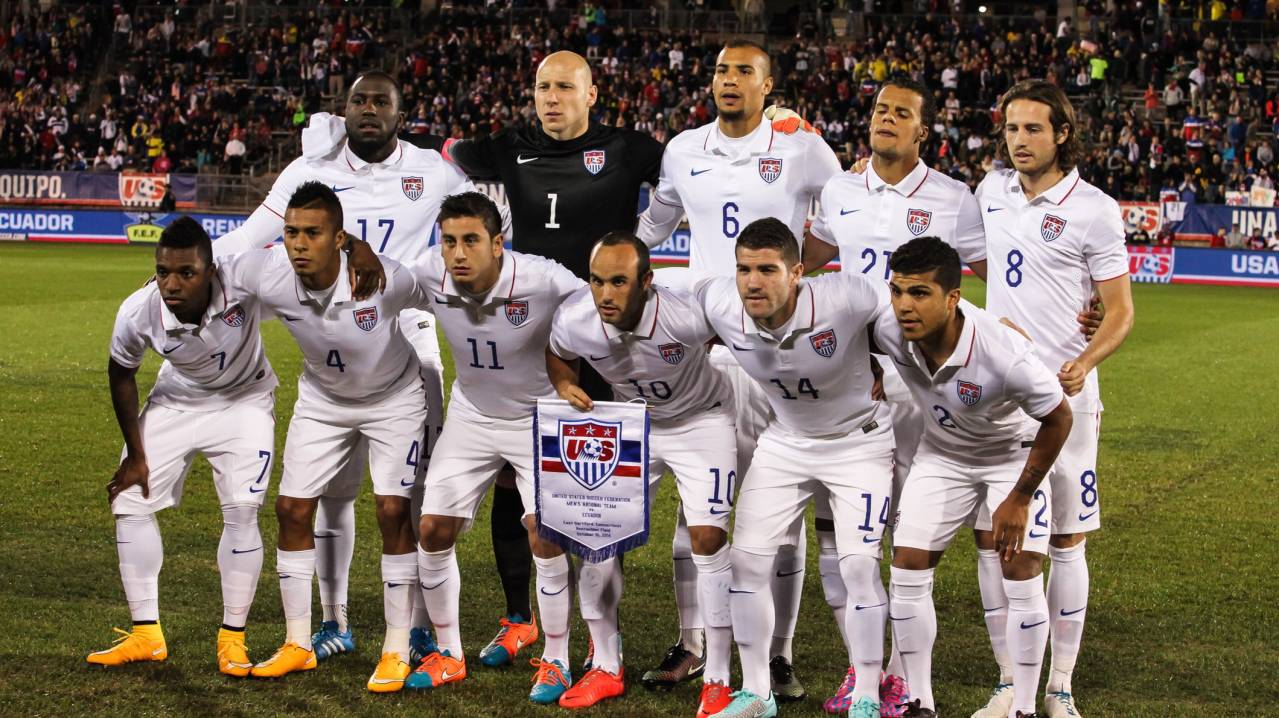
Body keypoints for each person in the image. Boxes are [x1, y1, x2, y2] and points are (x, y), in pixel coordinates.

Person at [215, 70, 477, 666]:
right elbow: (250, 239)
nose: (368, 109)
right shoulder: (312, 168)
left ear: (400, 111)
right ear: (344, 107)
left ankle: (413, 624)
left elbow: (481, 219)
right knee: (330, 495)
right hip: (335, 329)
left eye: (381, 100)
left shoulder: (433, 169)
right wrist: (175, 278)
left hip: (406, 329)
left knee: (410, 495)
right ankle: (333, 621)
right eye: (358, 99)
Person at [636, 39, 843, 700]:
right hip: (698, 350)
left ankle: (778, 655)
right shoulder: (682, 149)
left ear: (767, 84)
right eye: (722, 69)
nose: (729, 80)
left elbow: (840, 222)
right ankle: (691, 642)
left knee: (777, 506)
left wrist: (789, 276)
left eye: (743, 72)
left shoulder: (803, 147)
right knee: (692, 506)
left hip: (771, 351)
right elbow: (655, 222)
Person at [800, 76, 988, 716]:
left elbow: (1002, 271)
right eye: (880, 108)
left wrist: (1082, 305)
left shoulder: (954, 199)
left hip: (916, 388)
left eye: (901, 112)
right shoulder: (841, 188)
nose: (886, 118)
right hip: (846, 379)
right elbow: (804, 256)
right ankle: (863, 671)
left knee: (906, 542)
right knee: (841, 534)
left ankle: (906, 677)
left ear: (923, 131)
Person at [689, 218, 894, 718]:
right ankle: (757, 692)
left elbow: (910, 313)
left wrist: (887, 362)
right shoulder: (719, 303)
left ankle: (868, 691)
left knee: (860, 567)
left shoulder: (845, 296)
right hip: (786, 441)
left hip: (858, 441)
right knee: (748, 563)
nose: (752, 282)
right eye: (743, 269)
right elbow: (661, 310)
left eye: (766, 269)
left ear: (798, 272)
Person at [975, 80, 1135, 718]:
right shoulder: (991, 193)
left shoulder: (1095, 208)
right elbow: (991, 264)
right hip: (1000, 396)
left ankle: (1059, 683)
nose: (1019, 141)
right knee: (997, 538)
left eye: (1032, 129)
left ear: (1062, 133)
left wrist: (1084, 359)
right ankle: (1010, 681)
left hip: (1070, 399)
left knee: (1068, 541)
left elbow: (1121, 310)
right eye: (1011, 129)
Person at [236, 182, 430, 694]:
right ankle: (298, 643)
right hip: (323, 402)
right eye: (291, 232)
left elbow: (440, 296)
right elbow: (211, 274)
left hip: (395, 398)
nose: (299, 243)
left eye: (312, 233)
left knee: (393, 511)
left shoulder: (383, 277)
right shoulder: (267, 272)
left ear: (338, 238)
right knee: (291, 510)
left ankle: (394, 648)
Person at [872, 237, 1075, 718]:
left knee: (1020, 569)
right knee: (906, 566)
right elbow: (853, 330)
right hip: (942, 455)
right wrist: (866, 369)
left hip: (1010, 455)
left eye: (919, 293)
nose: (905, 306)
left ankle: (1024, 705)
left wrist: (1021, 496)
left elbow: (1060, 418)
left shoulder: (1005, 353)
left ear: (953, 298)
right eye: (898, 291)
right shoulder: (889, 326)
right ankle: (918, 699)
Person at [399, 193, 586, 705]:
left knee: (544, 536)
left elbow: (601, 311)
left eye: (470, 241)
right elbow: (379, 282)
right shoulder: (428, 274)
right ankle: (448, 653)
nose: (457, 253)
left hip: (538, 417)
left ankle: (556, 659)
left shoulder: (544, 279)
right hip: (472, 415)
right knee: (433, 529)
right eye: (449, 242)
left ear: (498, 244)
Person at [545, 232, 736, 715]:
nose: (605, 294)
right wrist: (565, 383)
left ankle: (717, 674)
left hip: (702, 421)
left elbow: (745, 338)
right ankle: (606, 666)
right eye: (596, 281)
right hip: (633, 423)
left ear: (646, 282)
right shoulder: (575, 318)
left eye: (619, 282)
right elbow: (558, 351)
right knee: (597, 538)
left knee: (708, 538)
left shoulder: (686, 314)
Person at [88, 218, 277, 677]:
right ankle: (146, 635)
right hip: (178, 398)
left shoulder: (243, 281)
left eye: (186, 273)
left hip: (244, 400)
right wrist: (135, 454)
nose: (171, 284)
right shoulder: (138, 310)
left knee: (242, 509)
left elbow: (299, 281)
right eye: (163, 272)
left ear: (211, 270)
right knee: (130, 499)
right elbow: (121, 374)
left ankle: (233, 639)